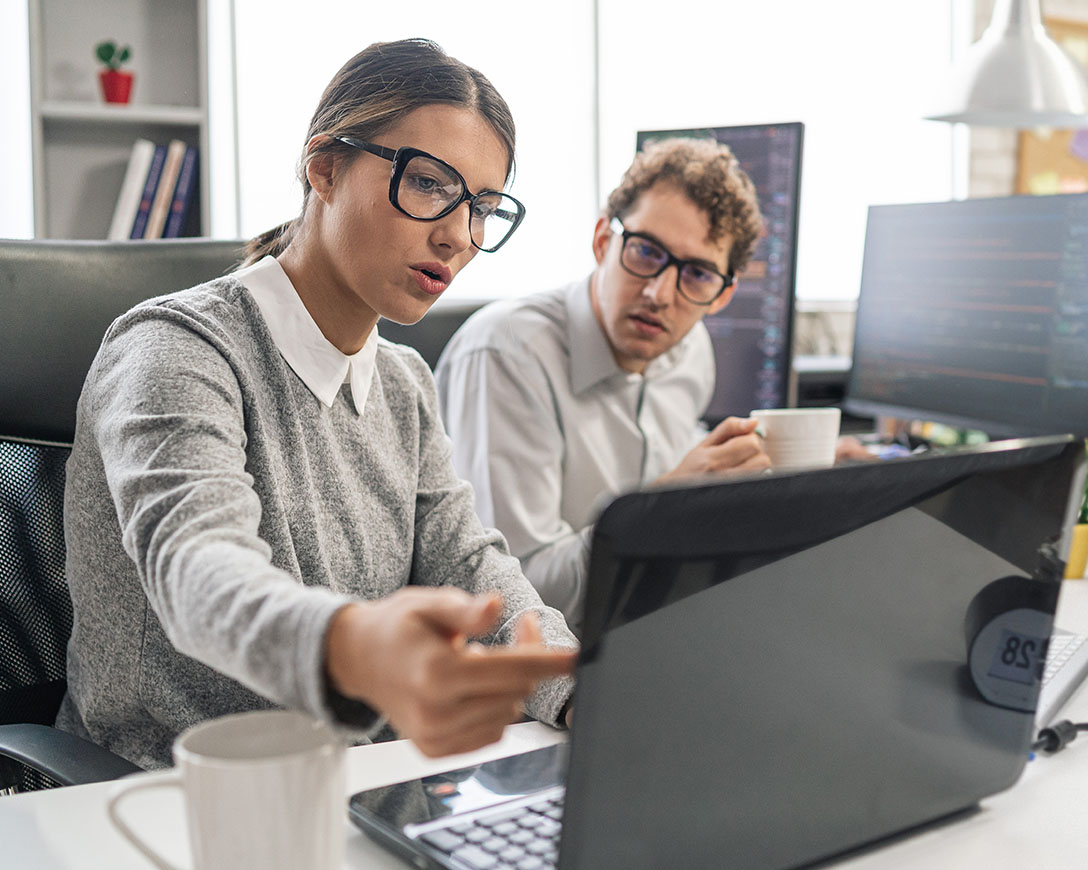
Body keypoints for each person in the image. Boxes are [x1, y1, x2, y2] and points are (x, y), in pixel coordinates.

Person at [55, 38, 577, 771]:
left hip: (361, 779)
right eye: (429, 184)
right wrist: (352, 647)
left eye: (482, 208)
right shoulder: (176, 348)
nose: (459, 235)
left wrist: (575, 683)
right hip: (162, 791)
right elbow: (199, 570)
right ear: (325, 168)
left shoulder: (402, 382)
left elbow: (468, 561)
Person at [435, 138, 774, 631]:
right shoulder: (506, 352)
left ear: (721, 296)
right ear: (602, 241)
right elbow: (507, 599)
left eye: (697, 274)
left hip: (649, 629)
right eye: (645, 251)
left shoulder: (690, 349)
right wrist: (658, 514)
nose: (660, 294)